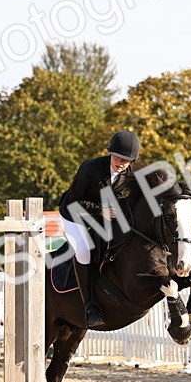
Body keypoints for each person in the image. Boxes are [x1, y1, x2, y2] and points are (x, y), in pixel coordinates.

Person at [58, 130, 141, 328]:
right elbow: (72, 201)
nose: (120, 163)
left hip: (103, 218)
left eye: (126, 160)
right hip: (74, 215)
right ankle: (89, 306)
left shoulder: (130, 177)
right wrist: (99, 211)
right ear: (110, 153)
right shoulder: (90, 168)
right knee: (85, 250)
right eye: (117, 157)